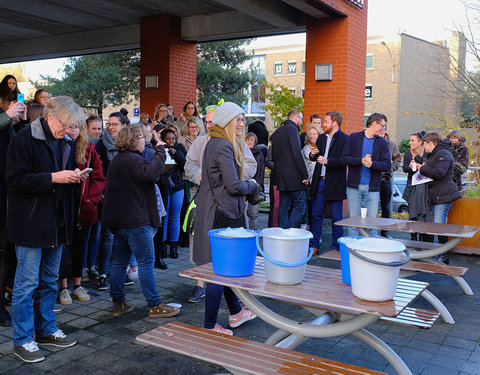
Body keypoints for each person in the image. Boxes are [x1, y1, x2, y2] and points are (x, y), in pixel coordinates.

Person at [6, 96, 84, 362]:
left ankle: (46, 329)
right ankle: (23, 339)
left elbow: (60, 179)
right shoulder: (24, 139)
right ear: (50, 116)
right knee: (26, 285)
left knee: (49, 281)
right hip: (30, 224)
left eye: (73, 126)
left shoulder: (65, 142)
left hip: (57, 223)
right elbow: (14, 181)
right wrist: (53, 178)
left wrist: (74, 176)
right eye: (66, 124)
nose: (68, 130)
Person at [192, 102, 259, 335]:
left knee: (225, 267)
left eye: (243, 119)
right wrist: (252, 185)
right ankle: (210, 325)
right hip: (223, 214)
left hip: (220, 211)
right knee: (219, 272)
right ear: (227, 122)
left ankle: (236, 312)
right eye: (237, 120)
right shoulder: (223, 146)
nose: (241, 124)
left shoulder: (217, 142)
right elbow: (232, 186)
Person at [102, 124, 180, 318]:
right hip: (136, 222)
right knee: (146, 262)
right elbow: (150, 173)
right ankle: (155, 304)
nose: (144, 141)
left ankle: (118, 303)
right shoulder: (133, 159)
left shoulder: (118, 160)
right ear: (133, 140)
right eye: (141, 138)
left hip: (120, 221)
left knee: (119, 263)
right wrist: (160, 149)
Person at [58, 123, 105, 305]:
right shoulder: (59, 146)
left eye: (76, 126)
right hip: (64, 206)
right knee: (63, 248)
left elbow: (99, 178)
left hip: (83, 207)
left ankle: (77, 284)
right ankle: (63, 287)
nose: (73, 130)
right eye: (70, 126)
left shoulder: (89, 149)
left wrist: (90, 200)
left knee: (80, 246)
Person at [94, 112, 129, 291]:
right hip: (106, 196)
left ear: (124, 125)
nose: (112, 127)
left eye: (116, 124)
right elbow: (97, 173)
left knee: (123, 237)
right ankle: (103, 273)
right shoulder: (101, 145)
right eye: (110, 124)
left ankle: (121, 273)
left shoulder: (129, 145)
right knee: (107, 236)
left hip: (125, 197)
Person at [0, 100, 27, 327]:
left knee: (5, 254)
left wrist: (19, 122)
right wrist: (7, 116)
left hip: (6, 197)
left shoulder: (8, 122)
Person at [418, 132, 462, 263]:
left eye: (424, 144)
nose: (423, 147)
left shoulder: (442, 154)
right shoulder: (437, 153)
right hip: (438, 194)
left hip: (443, 194)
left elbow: (439, 172)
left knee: (439, 225)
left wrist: (422, 168)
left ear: (430, 143)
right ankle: (439, 254)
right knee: (436, 224)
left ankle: (443, 255)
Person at [309, 111, 348, 254]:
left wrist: (328, 161)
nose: (323, 124)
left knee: (336, 217)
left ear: (334, 123)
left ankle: (336, 247)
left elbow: (345, 160)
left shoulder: (344, 139)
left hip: (335, 183)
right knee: (316, 214)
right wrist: (312, 155)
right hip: (319, 181)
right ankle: (315, 245)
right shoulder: (321, 138)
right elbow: (315, 158)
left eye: (326, 121)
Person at [342, 113, 391, 228]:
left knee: (372, 224)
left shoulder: (382, 142)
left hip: (373, 189)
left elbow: (387, 165)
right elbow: (344, 159)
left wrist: (372, 164)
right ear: (374, 123)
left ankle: (370, 245)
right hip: (354, 188)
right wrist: (361, 160)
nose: (383, 129)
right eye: (382, 126)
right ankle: (353, 246)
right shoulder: (353, 138)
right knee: (353, 224)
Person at [271, 109, 309, 229]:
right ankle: (288, 232)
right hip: (294, 178)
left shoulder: (277, 131)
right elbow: (296, 153)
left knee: (283, 206)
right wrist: (304, 175)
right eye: (301, 119)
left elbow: (274, 156)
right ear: (296, 118)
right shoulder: (292, 130)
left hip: (281, 177)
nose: (301, 122)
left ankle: (282, 233)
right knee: (300, 206)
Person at [159, 129, 187, 259]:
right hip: (164, 187)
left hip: (178, 185)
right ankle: (163, 246)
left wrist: (177, 153)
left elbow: (185, 165)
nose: (171, 141)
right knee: (165, 217)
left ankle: (174, 248)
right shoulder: (160, 148)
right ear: (163, 139)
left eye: (173, 138)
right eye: (168, 138)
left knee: (175, 217)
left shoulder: (180, 148)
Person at [402, 131, 431, 242]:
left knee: (423, 213)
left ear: (420, 142)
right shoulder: (408, 152)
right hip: (411, 184)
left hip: (423, 185)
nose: (410, 143)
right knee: (412, 212)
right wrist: (410, 167)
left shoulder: (427, 152)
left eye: (413, 140)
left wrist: (421, 164)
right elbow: (404, 169)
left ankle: (423, 239)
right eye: (410, 140)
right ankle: (413, 238)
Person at [379, 127, 401, 237]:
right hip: (371, 180)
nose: (381, 130)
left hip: (385, 179)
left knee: (386, 208)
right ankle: (369, 232)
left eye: (383, 128)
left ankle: (384, 232)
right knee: (370, 207)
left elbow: (398, 158)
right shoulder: (372, 142)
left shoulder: (391, 145)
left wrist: (390, 168)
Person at [245, 132, 265, 230]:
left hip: (255, 186)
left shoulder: (259, 153)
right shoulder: (241, 152)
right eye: (248, 139)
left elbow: (261, 171)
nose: (250, 142)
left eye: (252, 140)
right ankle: (245, 234)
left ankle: (253, 233)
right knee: (242, 213)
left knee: (254, 214)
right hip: (243, 186)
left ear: (255, 141)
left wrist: (257, 185)